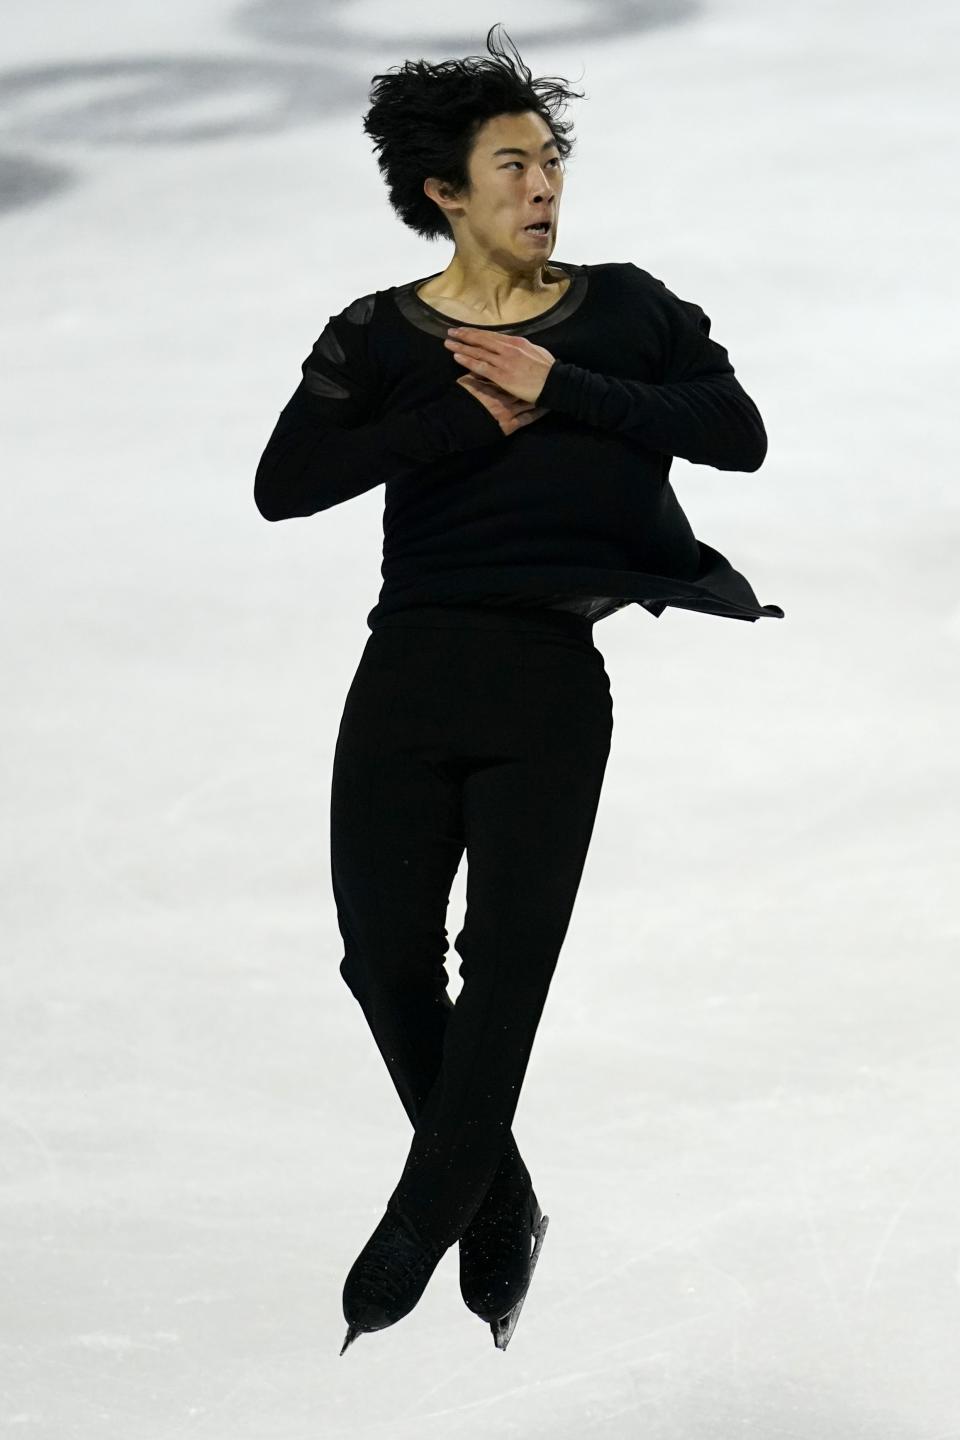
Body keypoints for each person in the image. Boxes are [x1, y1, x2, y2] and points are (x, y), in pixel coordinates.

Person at [253, 23, 783, 1355]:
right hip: (410, 671)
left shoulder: (626, 306)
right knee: (382, 963)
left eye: (551, 161)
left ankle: (424, 1222)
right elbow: (286, 483)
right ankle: (503, 1198)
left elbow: (737, 433)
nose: (543, 187)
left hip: (551, 682)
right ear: (446, 190)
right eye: (511, 166)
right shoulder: (378, 334)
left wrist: (569, 384)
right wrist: (452, 421)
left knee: (504, 976)